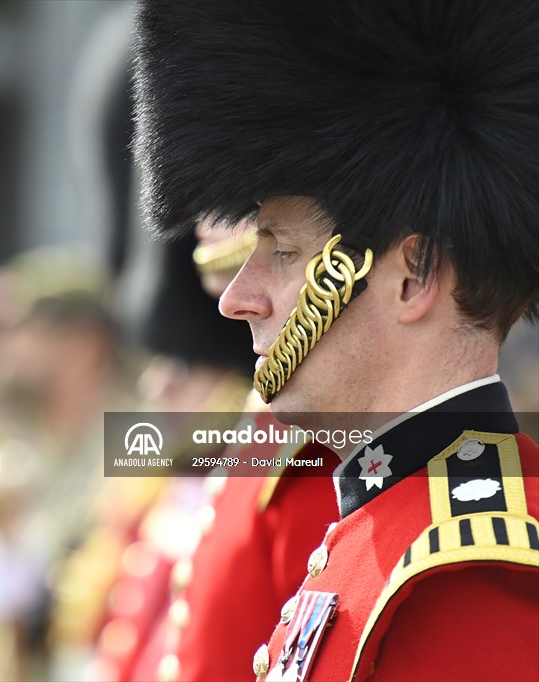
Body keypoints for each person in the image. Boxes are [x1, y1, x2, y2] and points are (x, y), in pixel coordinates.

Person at [133, 1, 538, 680]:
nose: (238, 297)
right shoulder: (379, 517)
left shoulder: (465, 573)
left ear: (414, 275)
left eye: (284, 254)